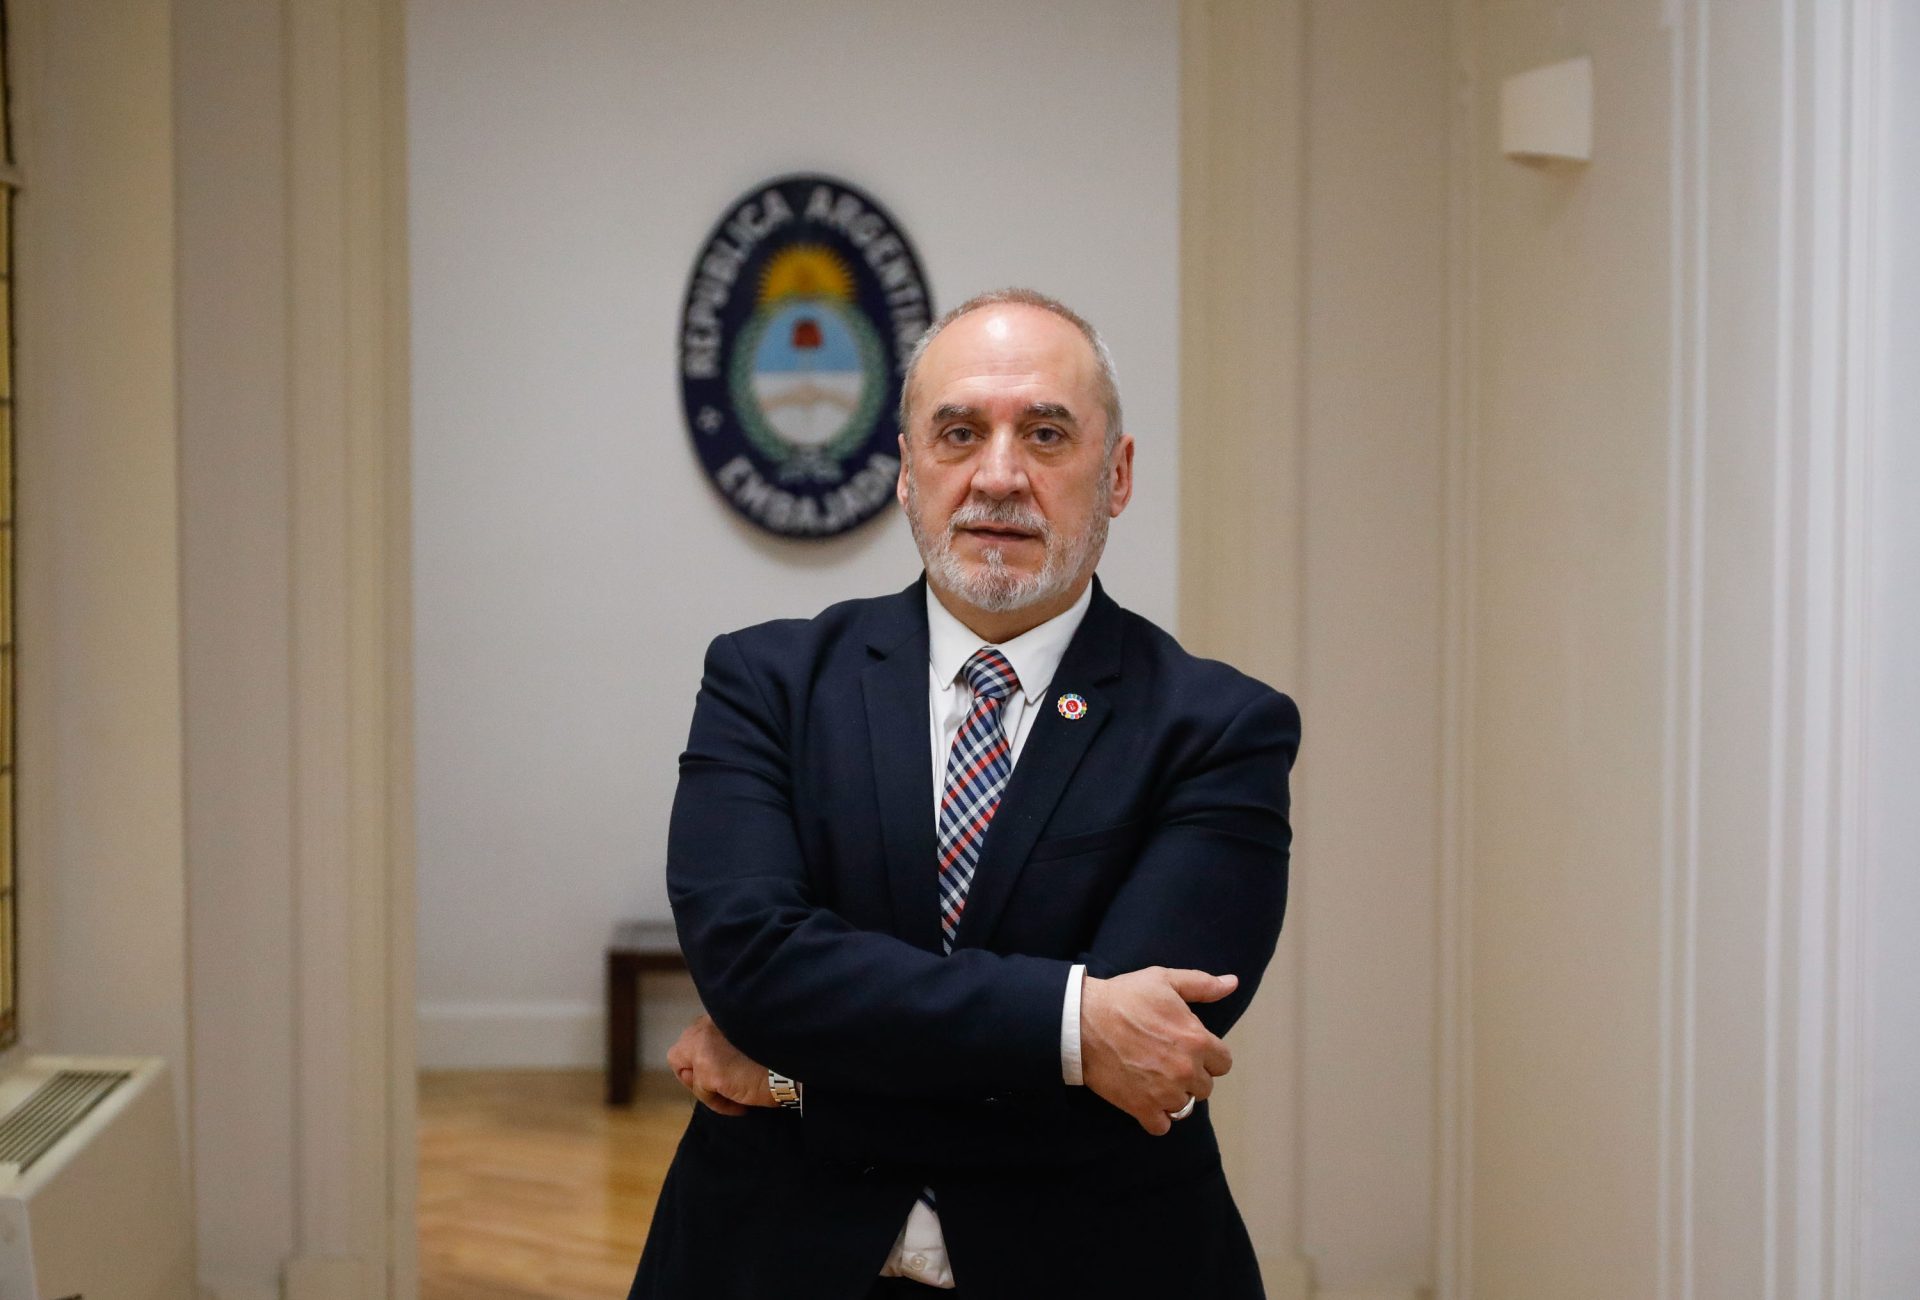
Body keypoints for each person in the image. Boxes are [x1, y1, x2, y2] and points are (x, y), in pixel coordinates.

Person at [628, 288, 1299, 1300]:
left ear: (1116, 476)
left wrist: (786, 1077)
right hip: (770, 1261)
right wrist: (1076, 1025)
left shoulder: (1219, 729)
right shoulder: (765, 683)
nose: (999, 475)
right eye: (958, 432)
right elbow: (755, 967)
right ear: (907, 470)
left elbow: (1148, 1065)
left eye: (1045, 433)